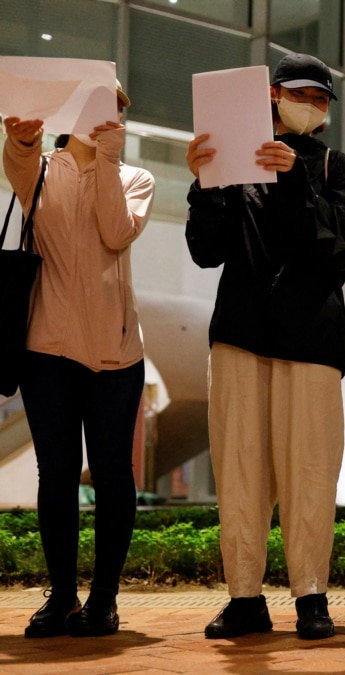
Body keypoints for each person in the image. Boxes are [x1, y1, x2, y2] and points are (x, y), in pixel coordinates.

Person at [184, 53, 345, 640]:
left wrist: (292, 181)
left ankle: (311, 595)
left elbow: (334, 251)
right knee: (239, 469)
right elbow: (205, 250)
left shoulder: (337, 167)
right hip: (239, 332)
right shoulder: (233, 160)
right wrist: (204, 185)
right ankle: (244, 597)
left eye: (321, 99)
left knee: (311, 470)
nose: (311, 106)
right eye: (301, 94)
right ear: (271, 93)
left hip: (312, 337)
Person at [4, 81, 153, 639]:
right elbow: (17, 163)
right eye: (92, 102)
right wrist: (20, 144)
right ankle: (62, 595)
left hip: (117, 353)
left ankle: (104, 600)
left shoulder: (135, 177)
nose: (103, 112)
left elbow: (115, 232)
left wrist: (108, 161)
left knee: (114, 474)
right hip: (47, 350)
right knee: (57, 474)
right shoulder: (42, 169)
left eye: (113, 103)